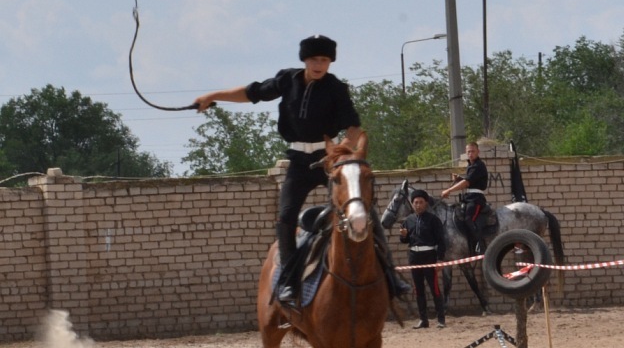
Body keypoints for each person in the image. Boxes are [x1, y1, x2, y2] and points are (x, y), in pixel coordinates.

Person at [194, 34, 410, 305]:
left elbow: (354, 127)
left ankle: (390, 274)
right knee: (285, 217)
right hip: (298, 162)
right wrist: (212, 96)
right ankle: (287, 280)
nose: (319, 64)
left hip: (328, 162)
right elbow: (252, 93)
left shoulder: (336, 89)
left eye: (324, 60)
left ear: (330, 61)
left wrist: (340, 151)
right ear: (304, 60)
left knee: (364, 211)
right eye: (314, 59)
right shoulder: (288, 80)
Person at [399, 189, 446, 329]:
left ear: (426, 203)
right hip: (414, 257)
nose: (418, 205)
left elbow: (441, 241)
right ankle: (423, 319)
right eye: (415, 202)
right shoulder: (408, 220)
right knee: (418, 289)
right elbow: (405, 240)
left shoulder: (433, 220)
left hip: (429, 256)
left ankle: (441, 319)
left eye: (420, 202)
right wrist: (403, 236)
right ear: (412, 204)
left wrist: (440, 259)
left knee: (434, 288)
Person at [441, 141, 488, 254]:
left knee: (469, 218)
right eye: (468, 152)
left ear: (478, 152)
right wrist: (459, 179)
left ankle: (480, 245)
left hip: (476, 198)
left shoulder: (478, 165)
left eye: (473, 151)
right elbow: (470, 181)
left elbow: (467, 183)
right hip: (469, 197)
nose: (470, 154)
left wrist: (449, 190)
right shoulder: (470, 166)